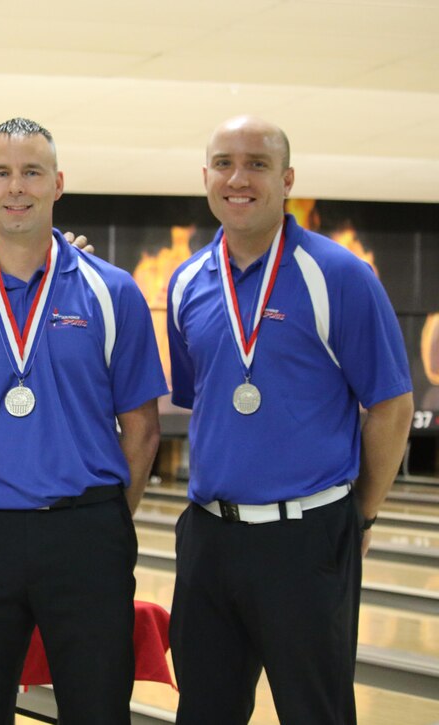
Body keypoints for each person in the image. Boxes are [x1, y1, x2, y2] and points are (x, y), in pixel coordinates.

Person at [0, 118, 166, 725]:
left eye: (31, 172)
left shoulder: (112, 292)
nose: (16, 186)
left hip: (88, 531)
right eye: (2, 173)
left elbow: (143, 430)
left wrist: (101, 518)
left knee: (98, 710)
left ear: (57, 183)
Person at [166, 115, 414, 724]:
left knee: (316, 712)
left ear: (287, 178)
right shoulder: (188, 283)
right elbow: (204, 402)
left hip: (305, 537)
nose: (238, 177)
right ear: (206, 177)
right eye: (224, 163)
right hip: (209, 537)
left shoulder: (339, 275)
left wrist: (362, 513)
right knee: (205, 711)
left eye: (257, 163)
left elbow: (392, 404)